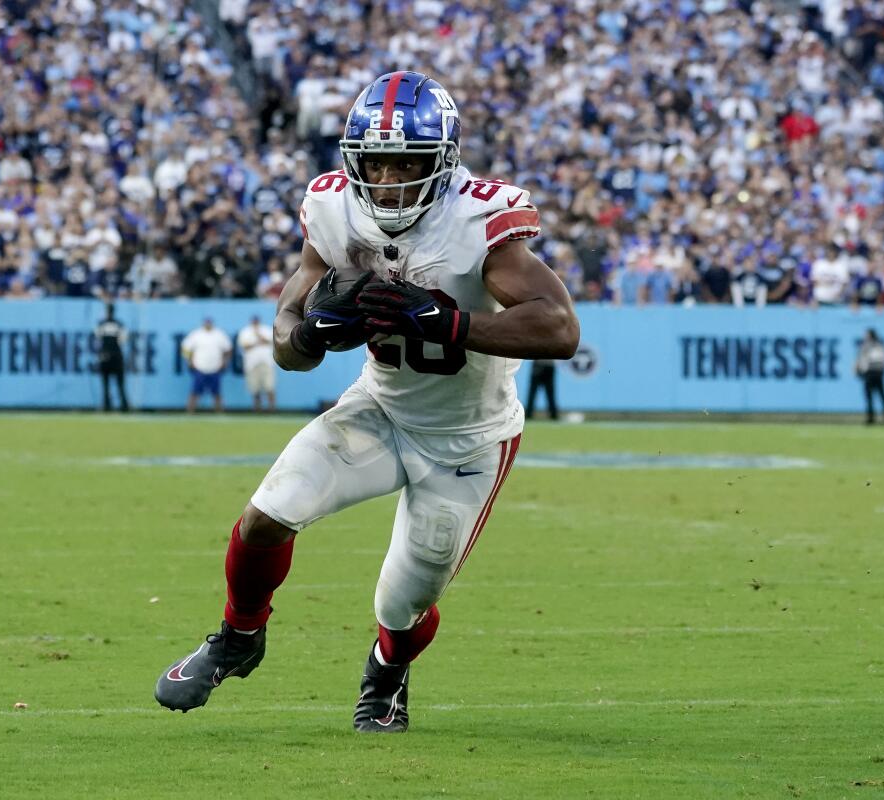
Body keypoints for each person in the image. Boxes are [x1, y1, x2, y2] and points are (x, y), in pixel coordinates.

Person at [154, 72, 579, 732]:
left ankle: (387, 669)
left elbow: (559, 326)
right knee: (268, 514)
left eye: (405, 164)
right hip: (378, 408)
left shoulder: (479, 220)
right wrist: (309, 335)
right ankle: (238, 637)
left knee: (406, 599)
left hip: (468, 437)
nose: (386, 180)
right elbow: (289, 336)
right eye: (374, 162)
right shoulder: (331, 207)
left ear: (442, 163)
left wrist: (450, 323)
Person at [181, 318, 232, 413]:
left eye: (209, 323)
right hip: (199, 367)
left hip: (215, 367)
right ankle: (190, 411)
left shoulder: (219, 334)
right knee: (195, 392)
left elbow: (228, 349)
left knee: (217, 393)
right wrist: (189, 361)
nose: (208, 324)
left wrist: (225, 362)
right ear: (203, 324)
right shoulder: (196, 334)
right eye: (206, 323)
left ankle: (219, 412)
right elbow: (186, 349)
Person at [94, 304, 129, 413]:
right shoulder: (119, 324)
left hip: (105, 356)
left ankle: (106, 406)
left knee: (106, 383)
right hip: (117, 355)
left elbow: (98, 337)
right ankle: (124, 406)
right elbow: (123, 340)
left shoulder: (101, 324)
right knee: (120, 383)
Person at [237, 314, 276, 412]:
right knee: (255, 388)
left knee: (269, 387)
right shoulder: (245, 331)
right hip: (251, 364)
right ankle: (257, 409)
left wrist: (258, 335)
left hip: (266, 362)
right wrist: (257, 343)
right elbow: (244, 346)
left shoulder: (266, 329)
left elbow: (271, 341)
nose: (255, 322)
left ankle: (272, 409)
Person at [855, 328, 884, 425]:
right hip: (879, 373)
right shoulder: (880, 346)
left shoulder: (866, 346)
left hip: (870, 373)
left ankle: (871, 418)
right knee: (882, 396)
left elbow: (862, 360)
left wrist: (860, 371)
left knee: (869, 397)